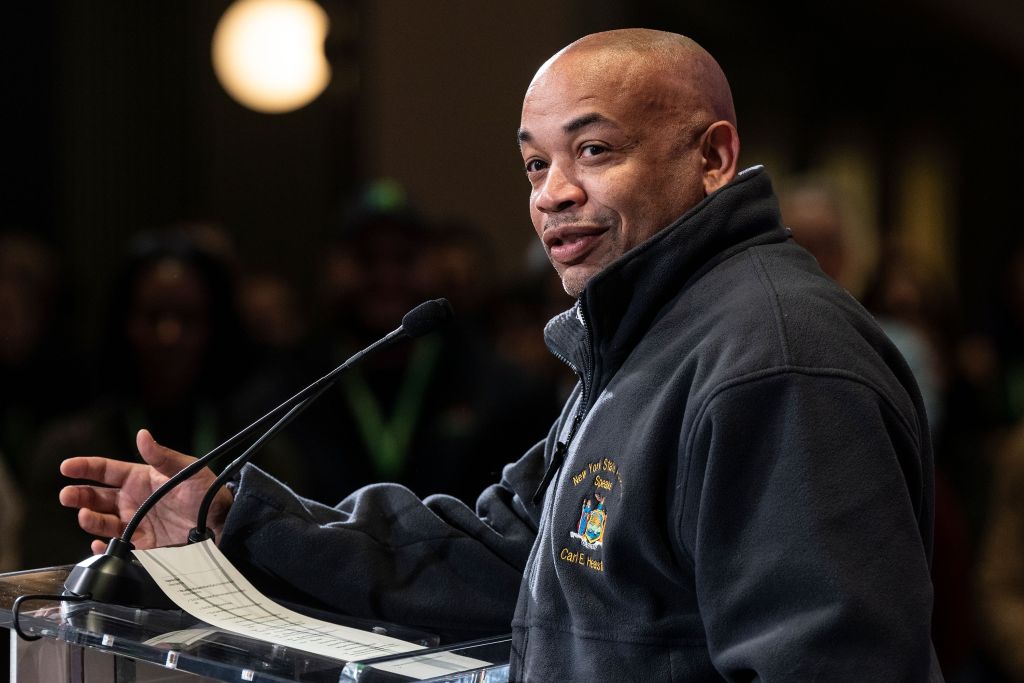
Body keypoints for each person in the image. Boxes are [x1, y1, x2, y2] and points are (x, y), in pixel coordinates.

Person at [59, 29, 942, 680]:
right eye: (534, 165)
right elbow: (508, 554)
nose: (554, 195)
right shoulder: (653, 338)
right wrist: (231, 519)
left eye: (594, 151)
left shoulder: (777, 362)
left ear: (713, 156)